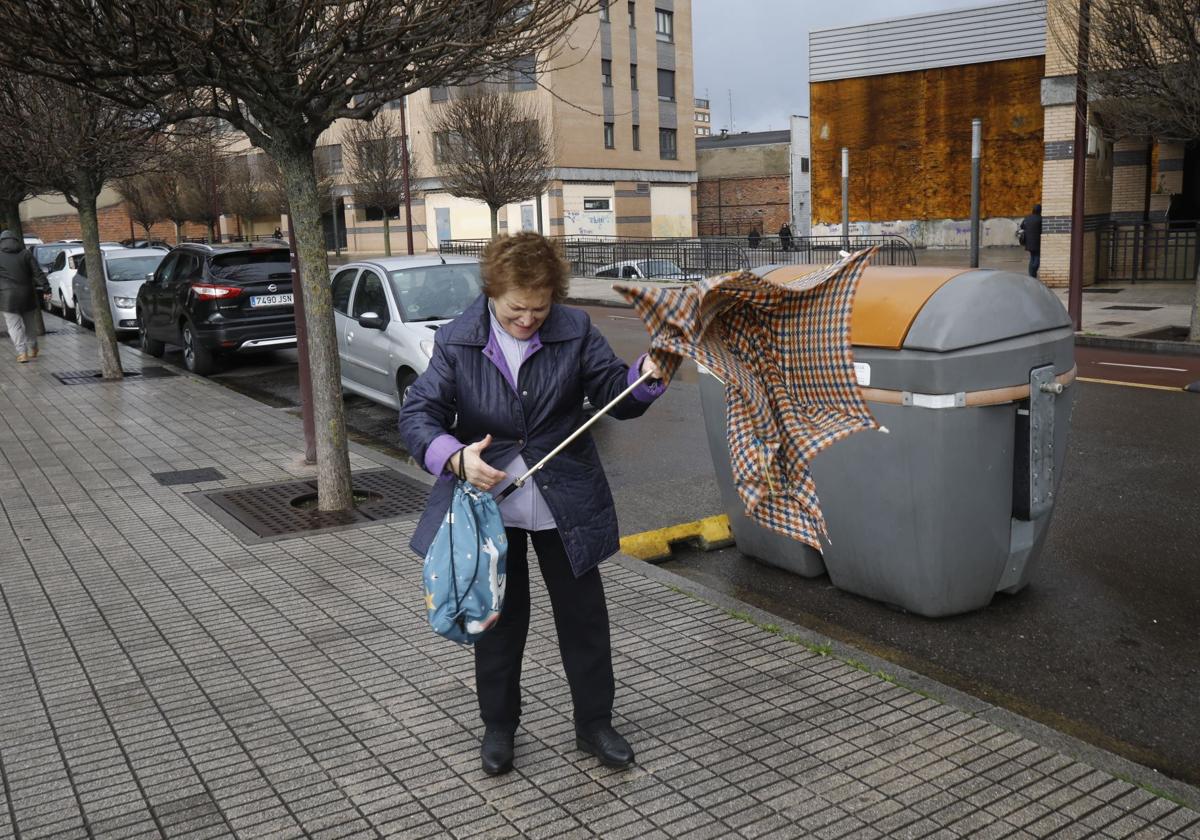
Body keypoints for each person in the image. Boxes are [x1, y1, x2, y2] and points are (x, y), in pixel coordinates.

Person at [400, 232, 666, 777]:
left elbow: (617, 393)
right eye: (516, 309)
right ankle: (499, 727)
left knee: (585, 619)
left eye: (539, 309)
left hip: (563, 501)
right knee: (498, 622)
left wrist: (646, 378)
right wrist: (455, 459)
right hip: (489, 507)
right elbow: (418, 415)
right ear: (493, 293)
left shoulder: (576, 329)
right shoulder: (457, 340)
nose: (528, 320)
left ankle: (595, 724)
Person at [0, 229, 49, 363]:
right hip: (27, 295)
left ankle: (22, 353)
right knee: (30, 324)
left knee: (14, 326)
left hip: (7, 297)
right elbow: (37, 272)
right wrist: (46, 288)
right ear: (16, 241)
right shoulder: (26, 254)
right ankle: (33, 347)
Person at [1019, 204, 1042, 278]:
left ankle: (1031, 275)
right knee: (1037, 258)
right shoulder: (1040, 219)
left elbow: (1022, 226)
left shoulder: (1027, 218)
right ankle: (1033, 273)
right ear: (1040, 211)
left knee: (1032, 257)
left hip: (1028, 242)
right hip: (1037, 242)